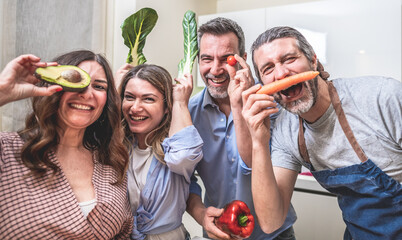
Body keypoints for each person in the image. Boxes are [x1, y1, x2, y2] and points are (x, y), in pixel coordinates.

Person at [241, 26, 402, 240]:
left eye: (289, 59)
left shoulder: (383, 97)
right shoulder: (284, 131)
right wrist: (258, 142)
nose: (281, 74)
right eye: (268, 69)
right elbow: (271, 222)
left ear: (313, 60)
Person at [0, 51, 133, 239]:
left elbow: (123, 233)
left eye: (99, 86)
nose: (87, 94)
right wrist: (2, 91)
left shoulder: (109, 161)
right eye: (77, 80)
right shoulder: (7, 152)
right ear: (53, 87)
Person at [186, 17, 297, 240]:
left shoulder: (272, 103)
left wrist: (239, 104)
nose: (215, 70)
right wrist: (200, 214)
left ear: (243, 59)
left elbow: (253, 166)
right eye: (207, 59)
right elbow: (183, 179)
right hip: (221, 231)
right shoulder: (189, 112)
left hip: (275, 234)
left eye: (226, 59)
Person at [118, 64, 203, 239]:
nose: (135, 107)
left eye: (148, 99)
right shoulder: (118, 147)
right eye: (129, 97)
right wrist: (113, 89)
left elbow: (183, 157)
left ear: (166, 107)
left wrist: (180, 102)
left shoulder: (172, 150)